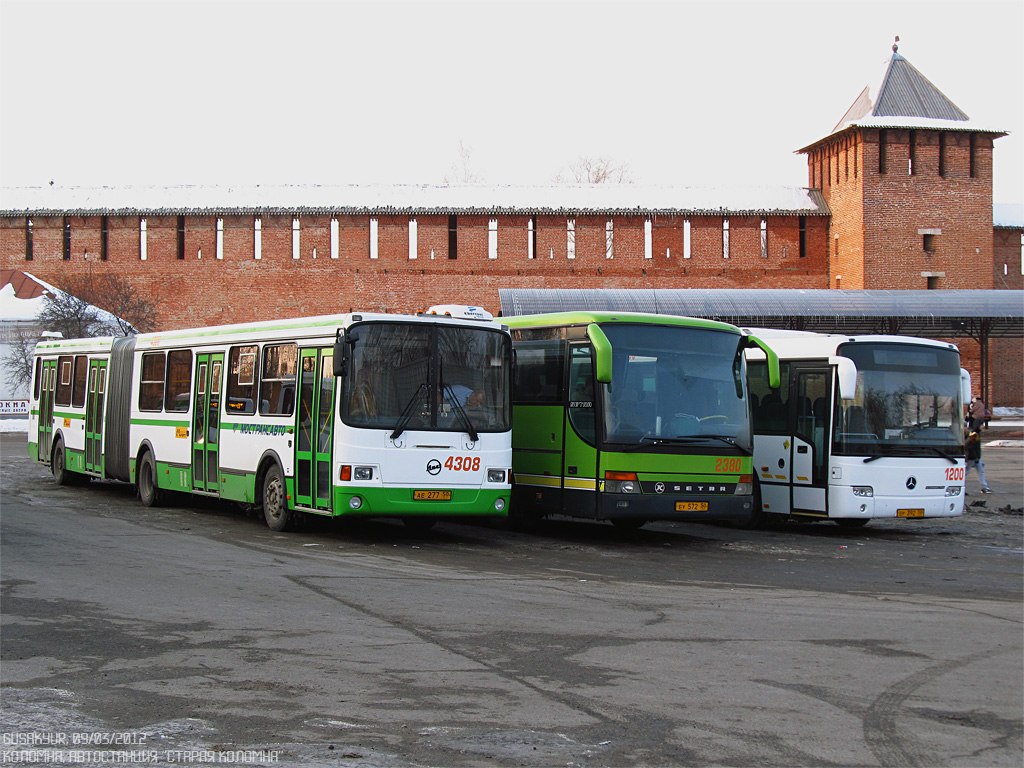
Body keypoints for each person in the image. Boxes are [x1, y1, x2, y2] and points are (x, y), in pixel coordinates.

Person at [965, 426, 993, 494]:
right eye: (980, 425)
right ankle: (984, 487)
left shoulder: (971, 434)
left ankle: (985, 487)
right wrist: (975, 457)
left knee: (980, 471)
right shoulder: (972, 435)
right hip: (972, 457)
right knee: (966, 472)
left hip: (975, 457)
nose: (982, 427)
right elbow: (970, 447)